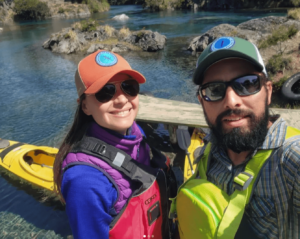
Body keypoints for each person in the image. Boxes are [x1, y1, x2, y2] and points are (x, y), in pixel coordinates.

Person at [170, 37, 300, 239]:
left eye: (247, 84)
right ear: (201, 102)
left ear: (268, 91)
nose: (231, 102)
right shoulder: (211, 148)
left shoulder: (290, 161)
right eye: (214, 90)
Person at [53, 50, 173, 239]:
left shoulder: (136, 133)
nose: (122, 99)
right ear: (85, 106)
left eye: (129, 87)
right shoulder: (84, 182)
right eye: (105, 92)